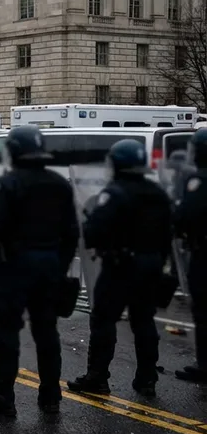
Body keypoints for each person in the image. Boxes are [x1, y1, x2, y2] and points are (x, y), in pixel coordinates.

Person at [0, 126, 79, 417]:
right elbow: (72, 233)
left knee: (7, 332)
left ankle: (3, 397)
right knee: (47, 331)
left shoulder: (9, 184)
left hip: (15, 267)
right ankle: (50, 395)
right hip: (49, 266)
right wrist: (59, 264)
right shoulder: (60, 184)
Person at [68, 139, 172, 398]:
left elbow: (95, 233)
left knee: (103, 319)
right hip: (151, 264)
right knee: (144, 321)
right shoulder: (157, 193)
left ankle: (97, 377)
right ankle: (147, 379)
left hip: (120, 265)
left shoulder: (114, 193)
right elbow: (170, 230)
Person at [172, 128, 207, 384]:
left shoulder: (198, 181)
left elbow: (187, 216)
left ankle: (205, 365)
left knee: (203, 310)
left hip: (204, 253)